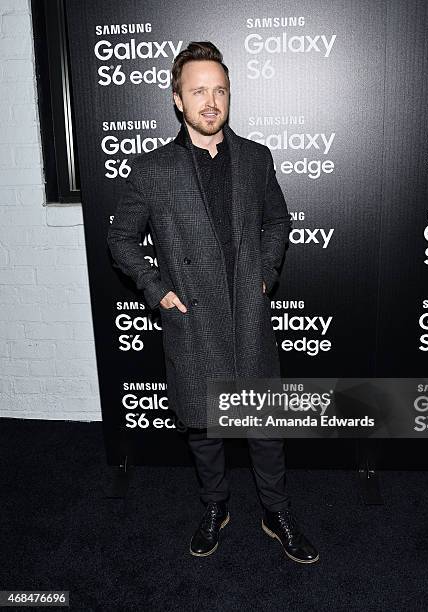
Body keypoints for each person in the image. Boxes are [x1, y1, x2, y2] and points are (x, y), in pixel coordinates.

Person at [107, 41, 319, 564]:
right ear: (177, 99)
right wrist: (158, 291)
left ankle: (276, 512)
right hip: (193, 322)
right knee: (203, 429)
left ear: (228, 96)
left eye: (219, 90)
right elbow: (121, 239)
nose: (210, 101)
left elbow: (278, 221)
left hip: (249, 319)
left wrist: (266, 274)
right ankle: (214, 506)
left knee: (265, 429)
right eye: (198, 90)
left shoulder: (255, 158)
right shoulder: (154, 169)